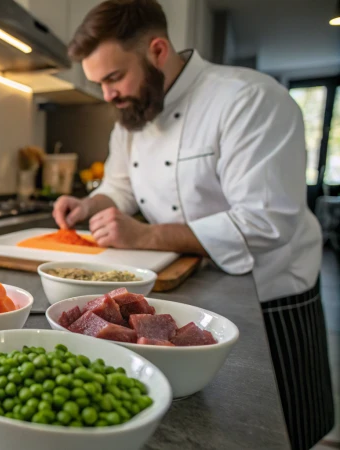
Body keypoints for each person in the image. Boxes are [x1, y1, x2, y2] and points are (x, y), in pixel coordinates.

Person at [53, 1, 334, 448]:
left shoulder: (248, 99)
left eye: (113, 78)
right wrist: (88, 206)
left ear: (158, 50)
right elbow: (119, 187)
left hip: (269, 291)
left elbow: (263, 222)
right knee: (199, 418)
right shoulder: (132, 118)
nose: (106, 95)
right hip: (189, 282)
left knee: (282, 428)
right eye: (99, 82)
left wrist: (145, 236)